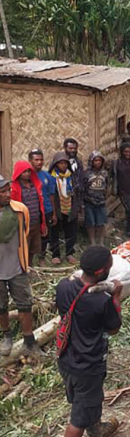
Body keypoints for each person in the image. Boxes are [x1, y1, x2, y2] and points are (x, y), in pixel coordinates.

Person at [50, 246, 123, 437]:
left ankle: (97, 431)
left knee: (87, 400)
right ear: (102, 271)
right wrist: (115, 299)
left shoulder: (63, 286)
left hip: (66, 359)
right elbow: (113, 328)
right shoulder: (101, 301)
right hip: (88, 365)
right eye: (110, 267)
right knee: (78, 415)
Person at [0, 174, 41, 357]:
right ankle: (7, 335)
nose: (7, 194)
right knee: (1, 306)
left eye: (8, 190)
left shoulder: (20, 210)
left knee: (24, 303)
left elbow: (24, 233)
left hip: (17, 266)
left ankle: (29, 341)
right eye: (2, 192)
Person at [10, 160, 47, 266]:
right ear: (18, 173)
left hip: (35, 221)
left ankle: (30, 266)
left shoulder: (35, 186)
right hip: (23, 224)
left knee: (33, 247)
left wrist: (42, 223)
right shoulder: (15, 188)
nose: (27, 174)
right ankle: (23, 267)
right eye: (24, 172)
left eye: (28, 171)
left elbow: (40, 204)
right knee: (23, 247)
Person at [49, 152, 79, 265]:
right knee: (55, 232)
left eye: (65, 163)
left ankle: (69, 253)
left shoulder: (71, 176)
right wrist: (53, 212)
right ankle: (55, 254)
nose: (63, 165)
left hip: (70, 206)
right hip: (57, 208)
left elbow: (76, 192)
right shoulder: (52, 177)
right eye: (60, 163)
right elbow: (50, 194)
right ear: (55, 164)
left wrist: (76, 207)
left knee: (71, 231)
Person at [28, 149, 56, 266]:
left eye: (41, 159)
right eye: (36, 160)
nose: (39, 162)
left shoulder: (47, 177)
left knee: (44, 235)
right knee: (30, 236)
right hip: (32, 212)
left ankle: (42, 258)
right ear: (30, 161)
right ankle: (29, 260)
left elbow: (51, 195)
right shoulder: (26, 176)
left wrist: (54, 213)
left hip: (46, 210)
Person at [83, 151, 108, 246]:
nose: (98, 162)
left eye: (99, 160)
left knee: (101, 222)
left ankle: (101, 241)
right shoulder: (87, 173)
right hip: (89, 201)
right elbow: (84, 187)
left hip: (101, 201)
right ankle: (92, 241)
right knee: (91, 222)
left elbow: (106, 185)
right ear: (91, 161)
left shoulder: (104, 173)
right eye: (95, 160)